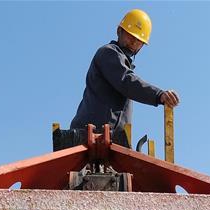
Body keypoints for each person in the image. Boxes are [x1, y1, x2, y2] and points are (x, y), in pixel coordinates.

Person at [69, 9, 180, 146]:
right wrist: (158, 95)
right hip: (88, 136)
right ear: (119, 31)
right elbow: (126, 81)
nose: (133, 42)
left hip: (112, 140)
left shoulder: (123, 64)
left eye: (139, 40)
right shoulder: (108, 53)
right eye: (130, 35)